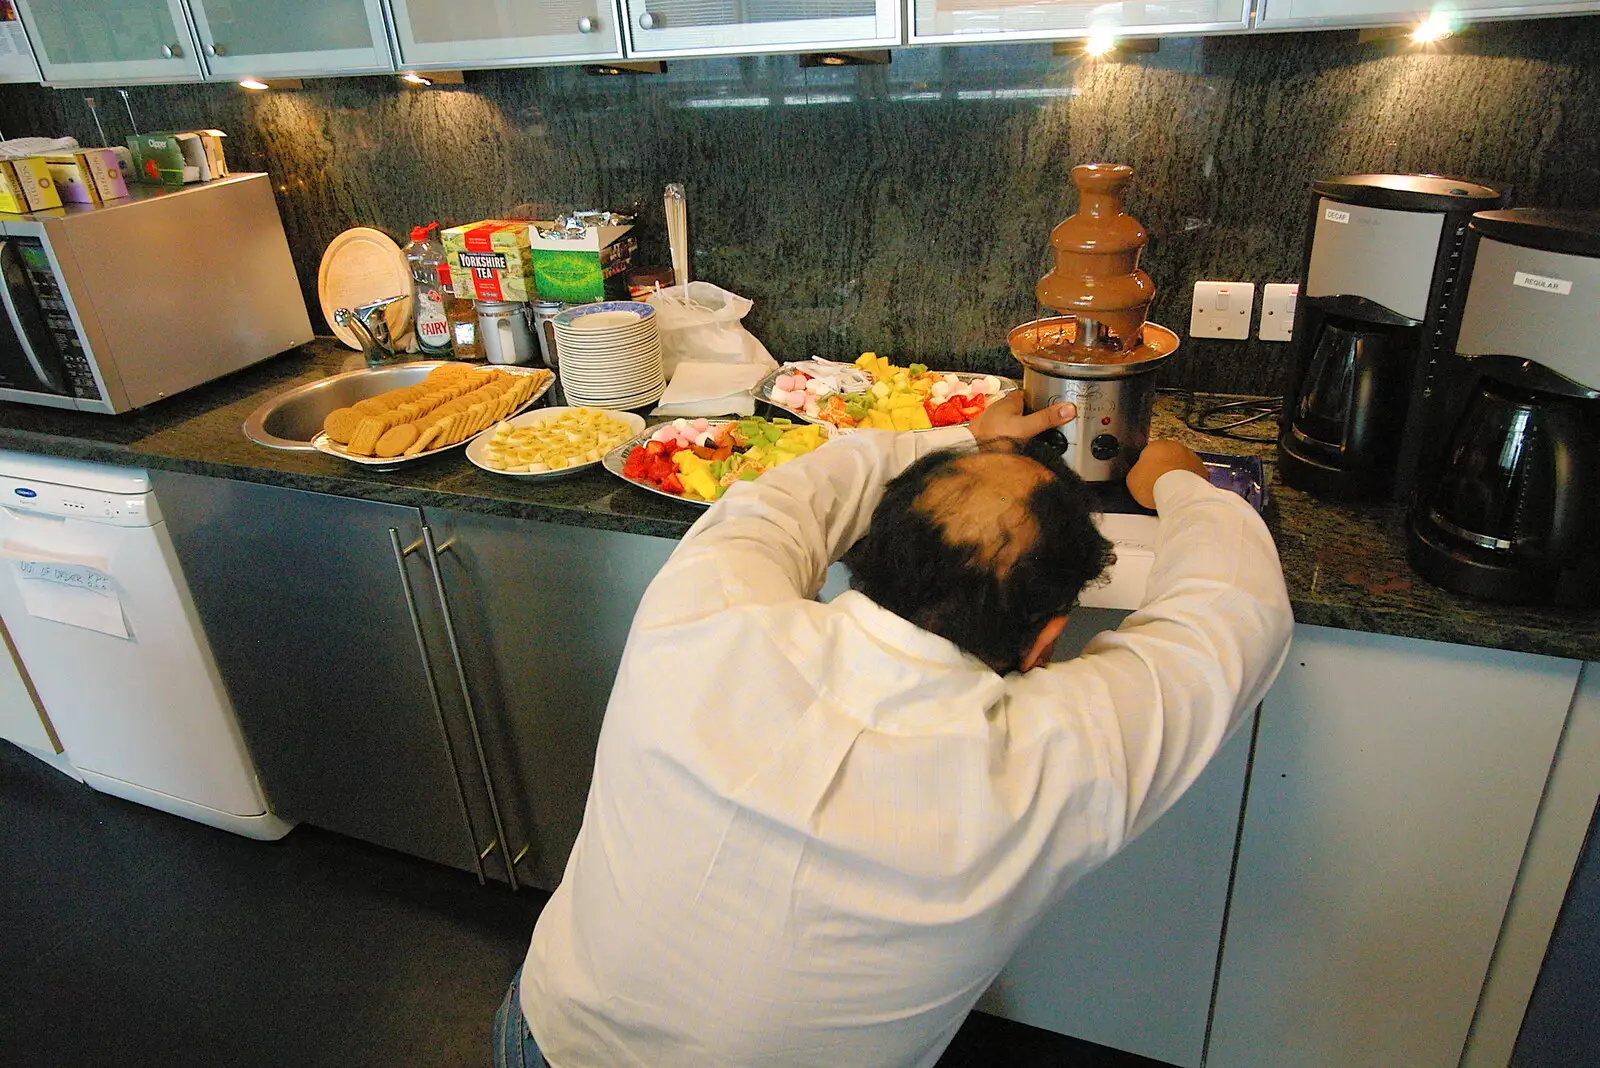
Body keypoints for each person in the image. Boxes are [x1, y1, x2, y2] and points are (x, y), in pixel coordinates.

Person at [493, 393, 1293, 1068]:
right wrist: (1189, 488)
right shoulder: (1057, 762)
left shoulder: (704, 608)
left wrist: (963, 440)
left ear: (865, 552)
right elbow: (1233, 616)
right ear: (1047, 640)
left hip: (546, 1037)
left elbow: (792, 492)